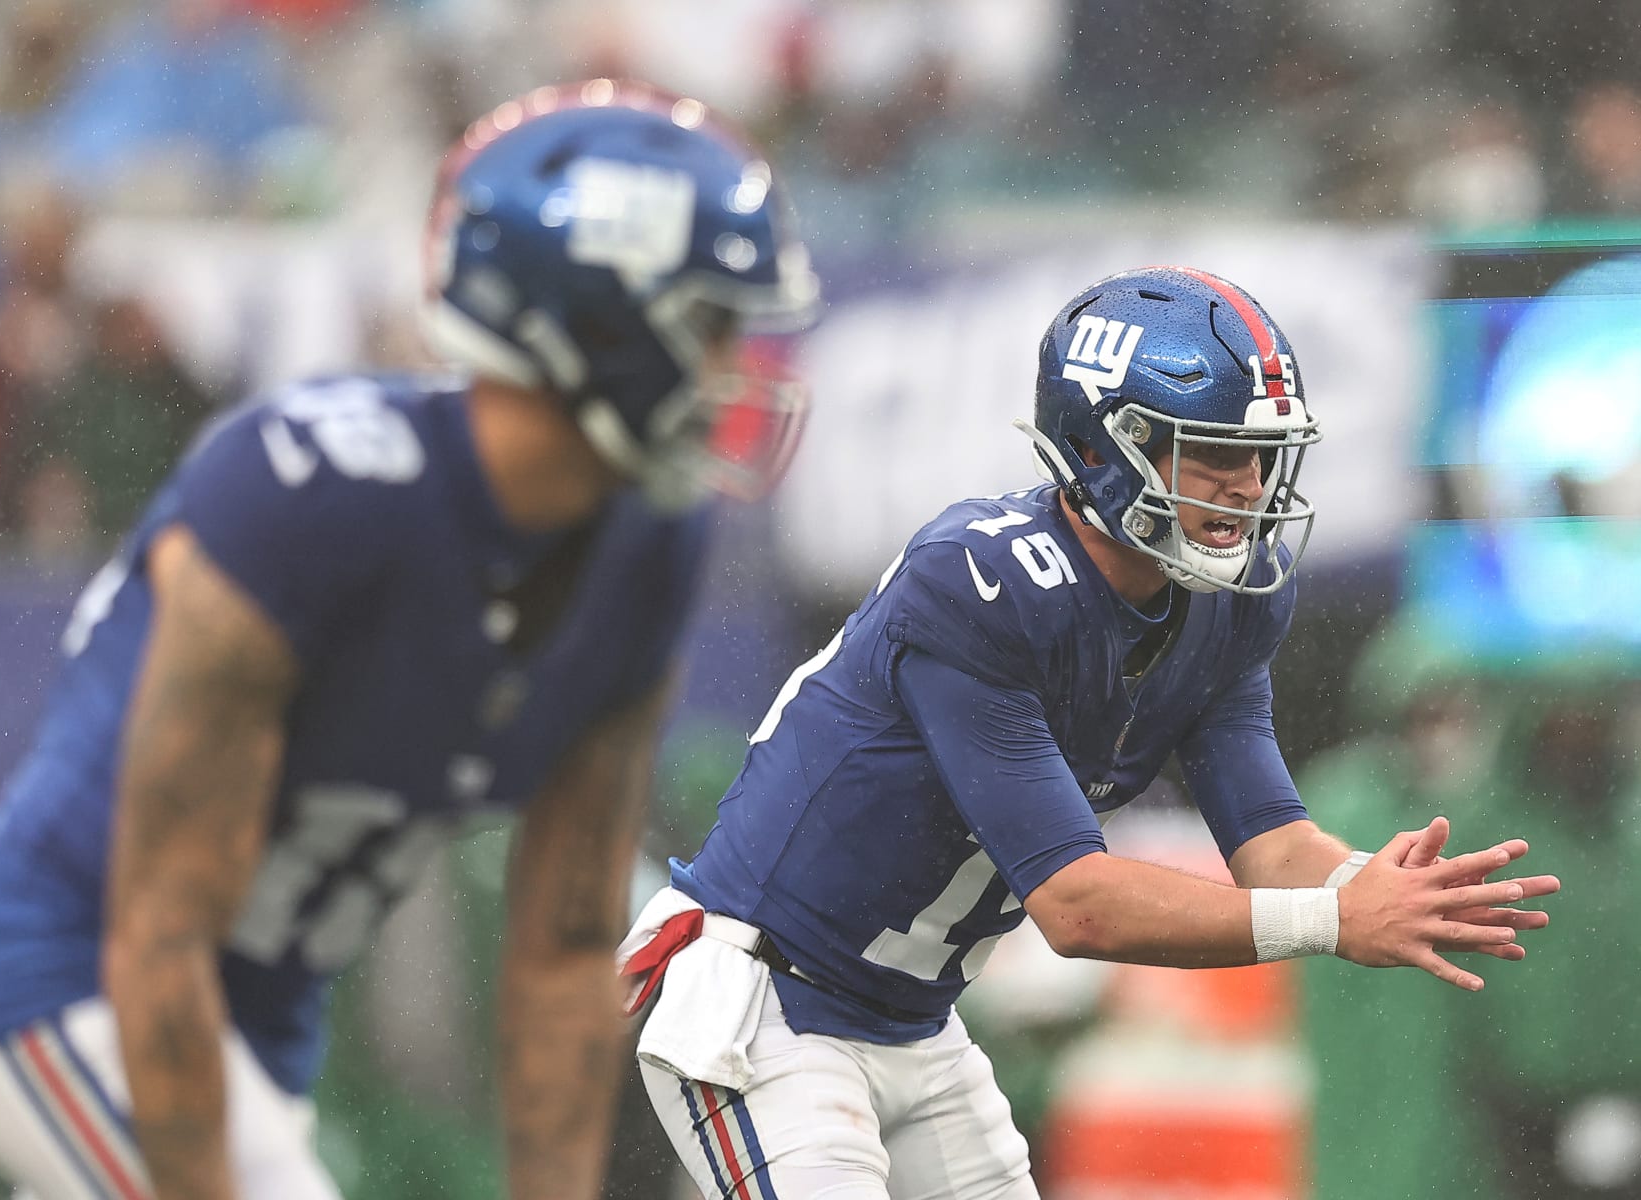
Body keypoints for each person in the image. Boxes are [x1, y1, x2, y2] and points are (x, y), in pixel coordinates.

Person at [0, 78, 820, 1200]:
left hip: (259, 1019)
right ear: (588, 316)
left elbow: (562, 955)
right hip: (69, 981)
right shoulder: (303, 497)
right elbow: (156, 938)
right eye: (707, 322)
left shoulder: (645, 538)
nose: (734, 364)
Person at [616, 265, 1560, 1200]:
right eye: (1214, 454)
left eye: (1261, 454)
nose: (1248, 488)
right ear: (1110, 448)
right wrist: (1333, 920)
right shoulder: (980, 584)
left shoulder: (1224, 605)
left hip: (916, 1022)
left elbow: (1272, 845)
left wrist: (1380, 887)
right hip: (771, 1003)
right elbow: (1078, 908)